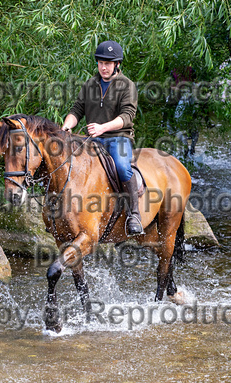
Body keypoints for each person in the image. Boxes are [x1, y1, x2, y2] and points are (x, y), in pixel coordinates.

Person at [61, 40, 142, 236]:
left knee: (123, 167)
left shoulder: (127, 86)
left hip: (118, 138)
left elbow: (126, 117)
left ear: (117, 65)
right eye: (100, 63)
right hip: (92, 139)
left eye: (108, 63)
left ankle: (134, 214)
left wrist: (102, 128)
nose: (103, 67)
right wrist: (66, 126)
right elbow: (76, 110)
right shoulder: (90, 84)